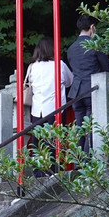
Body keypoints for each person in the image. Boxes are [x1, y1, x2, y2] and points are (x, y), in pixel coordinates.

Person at [25, 35, 72, 175]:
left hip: (37, 109)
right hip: (55, 107)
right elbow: (70, 80)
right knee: (54, 140)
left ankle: (38, 171)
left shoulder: (32, 67)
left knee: (38, 142)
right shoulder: (59, 64)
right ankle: (54, 169)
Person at [66, 14, 109, 154]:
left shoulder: (71, 49)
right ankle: (88, 160)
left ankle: (78, 161)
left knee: (80, 127)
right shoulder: (94, 45)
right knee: (92, 127)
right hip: (93, 90)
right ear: (92, 28)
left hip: (77, 92)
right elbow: (107, 68)